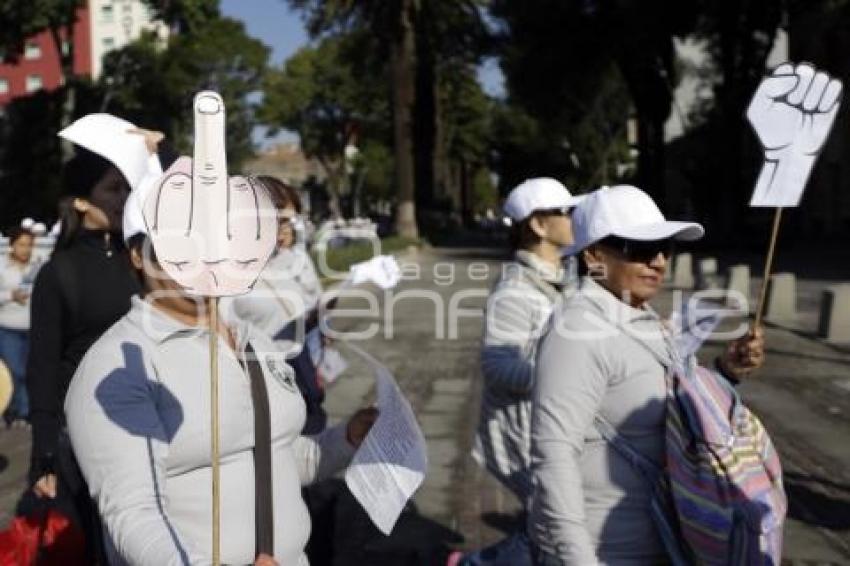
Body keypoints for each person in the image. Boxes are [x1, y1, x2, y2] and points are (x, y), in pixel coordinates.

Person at [63, 174, 377, 566]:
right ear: (138, 254)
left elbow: (276, 456)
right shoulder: (119, 366)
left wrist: (344, 440)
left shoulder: (254, 342)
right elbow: (132, 514)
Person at [529, 185, 766, 565]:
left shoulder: (636, 315)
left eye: (665, 248)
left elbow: (670, 412)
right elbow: (553, 455)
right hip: (608, 549)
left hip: (661, 539)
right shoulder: (575, 333)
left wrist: (725, 372)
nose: (658, 261)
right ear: (594, 257)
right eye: (639, 249)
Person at [25, 124, 166, 563]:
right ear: (83, 201)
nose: (124, 197)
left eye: (127, 187)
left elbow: (168, 201)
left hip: (149, 417)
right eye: (113, 188)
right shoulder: (59, 273)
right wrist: (45, 453)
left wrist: (152, 152)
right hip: (86, 431)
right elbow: (43, 366)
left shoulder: (140, 260)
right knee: (102, 542)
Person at [449, 178, 584, 566]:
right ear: (538, 225)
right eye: (565, 212)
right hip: (523, 434)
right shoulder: (515, 291)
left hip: (554, 428)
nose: (574, 218)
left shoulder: (566, 277)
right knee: (553, 529)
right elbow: (496, 366)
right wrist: (558, 374)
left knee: (548, 527)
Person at [227, 175, 327, 434]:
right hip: (260, 384)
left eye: (289, 222)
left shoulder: (284, 258)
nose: (285, 229)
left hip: (297, 365)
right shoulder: (227, 271)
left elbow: (302, 301)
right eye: (280, 221)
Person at [0, 226, 39, 427]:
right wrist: (10, 296)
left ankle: (24, 413)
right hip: (8, 329)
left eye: (29, 245)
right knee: (14, 371)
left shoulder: (38, 266)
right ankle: (14, 411)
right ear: (12, 245)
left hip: (33, 329)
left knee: (29, 371)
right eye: (22, 245)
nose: (26, 250)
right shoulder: (1, 267)